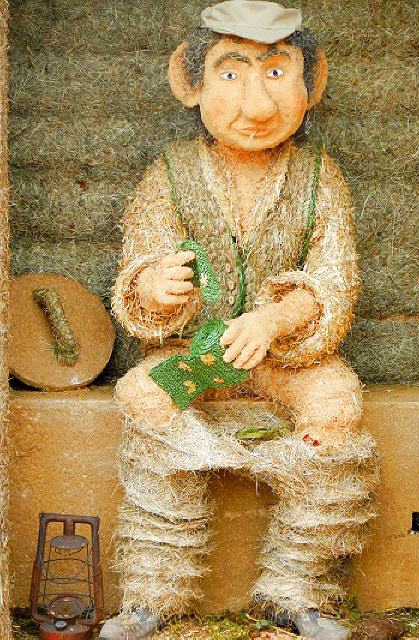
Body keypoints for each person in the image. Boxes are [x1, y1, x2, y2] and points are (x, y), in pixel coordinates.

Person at [100, 2, 379, 638]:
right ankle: (153, 594)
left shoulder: (319, 178)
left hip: (286, 363)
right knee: (143, 393)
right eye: (231, 73)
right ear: (191, 82)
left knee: (336, 401)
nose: (256, 106)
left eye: (276, 73)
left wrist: (276, 319)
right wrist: (155, 288)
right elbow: (138, 273)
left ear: (311, 81)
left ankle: (296, 590)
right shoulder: (169, 178)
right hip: (196, 359)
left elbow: (335, 281)